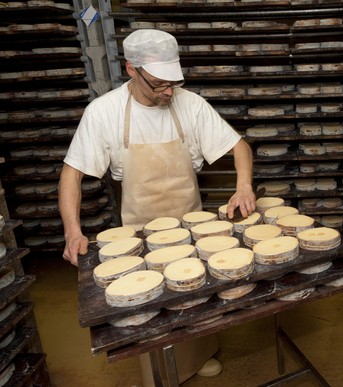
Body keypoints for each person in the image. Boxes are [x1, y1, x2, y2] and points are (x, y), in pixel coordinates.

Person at [58, 29, 256, 384]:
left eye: (173, 84)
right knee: (149, 311)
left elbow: (240, 147)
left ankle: (198, 357)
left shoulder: (190, 104)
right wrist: (73, 230)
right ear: (131, 69)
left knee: (195, 300)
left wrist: (243, 187)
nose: (168, 93)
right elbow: (71, 174)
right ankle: (164, 375)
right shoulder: (103, 112)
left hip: (192, 227)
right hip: (139, 235)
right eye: (159, 85)